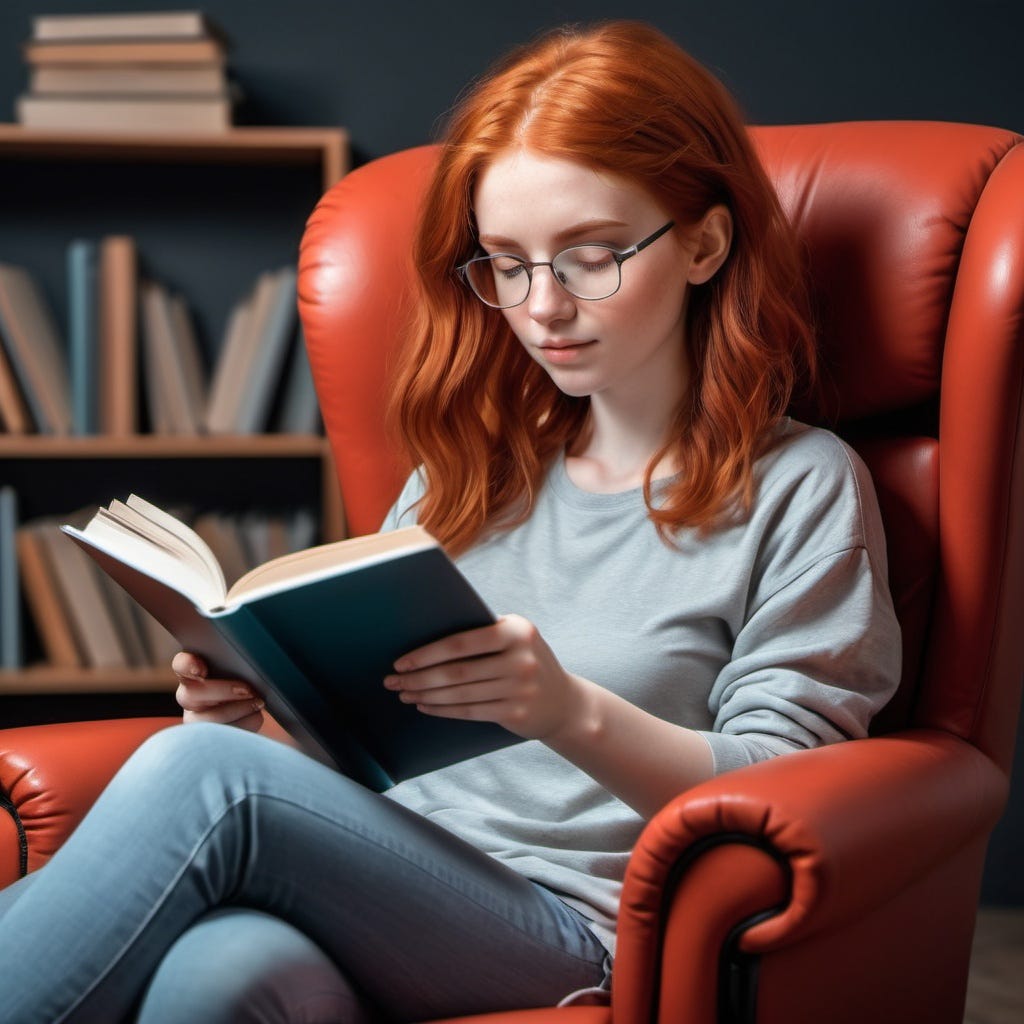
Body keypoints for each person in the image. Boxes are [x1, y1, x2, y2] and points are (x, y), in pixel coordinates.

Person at [0, 20, 900, 1024]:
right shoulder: (468, 473)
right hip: (382, 890)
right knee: (221, 974)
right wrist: (264, 723)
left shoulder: (801, 483)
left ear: (704, 242)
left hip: (578, 927)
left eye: (590, 256)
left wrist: (566, 710)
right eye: (506, 264)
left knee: (201, 777)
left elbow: (786, 796)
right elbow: (371, 760)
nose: (542, 305)